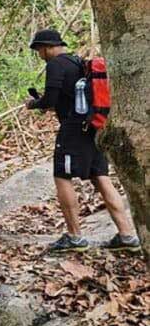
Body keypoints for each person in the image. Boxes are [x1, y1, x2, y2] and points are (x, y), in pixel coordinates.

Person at [25, 29, 140, 253]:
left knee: (62, 175)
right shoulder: (79, 63)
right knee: (101, 177)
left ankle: (75, 236)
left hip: (73, 130)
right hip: (93, 127)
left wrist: (33, 104)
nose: (40, 55)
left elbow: (50, 98)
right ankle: (127, 235)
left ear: (47, 47)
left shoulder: (56, 64)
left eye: (39, 50)